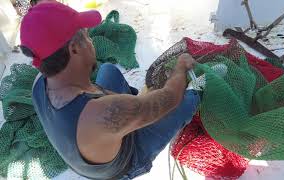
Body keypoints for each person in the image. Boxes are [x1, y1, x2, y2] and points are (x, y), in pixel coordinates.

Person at [20, 1, 199, 179]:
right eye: (87, 36)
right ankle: (146, 110)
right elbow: (170, 97)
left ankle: (138, 106)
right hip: (128, 160)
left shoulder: (40, 81)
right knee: (190, 97)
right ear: (74, 49)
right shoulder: (104, 113)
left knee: (108, 69)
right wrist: (181, 66)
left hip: (95, 142)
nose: (91, 42)